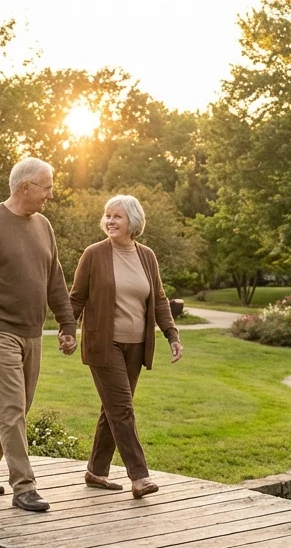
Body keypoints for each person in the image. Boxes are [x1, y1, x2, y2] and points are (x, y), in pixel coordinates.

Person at [0, 157, 78, 513]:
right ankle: (24, 486)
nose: (50, 194)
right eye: (47, 187)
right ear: (26, 186)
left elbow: (55, 280)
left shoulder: (44, 226)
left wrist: (67, 324)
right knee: (11, 408)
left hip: (32, 331)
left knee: (18, 407)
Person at [68, 194, 182, 499]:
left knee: (113, 409)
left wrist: (172, 334)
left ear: (133, 222)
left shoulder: (147, 256)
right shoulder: (94, 254)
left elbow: (158, 299)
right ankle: (140, 476)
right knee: (123, 409)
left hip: (136, 346)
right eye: (107, 215)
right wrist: (67, 329)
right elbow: (76, 297)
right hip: (104, 345)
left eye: (117, 216)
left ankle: (96, 471)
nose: (109, 221)